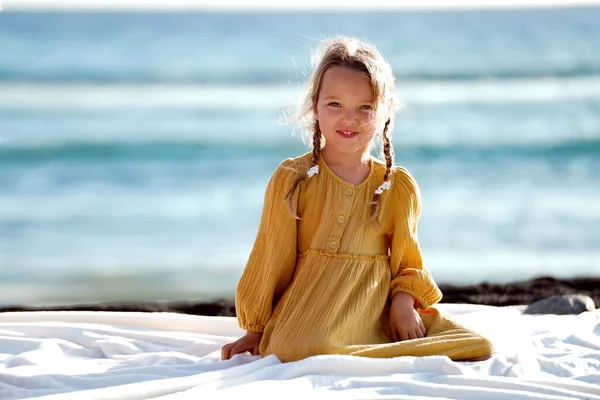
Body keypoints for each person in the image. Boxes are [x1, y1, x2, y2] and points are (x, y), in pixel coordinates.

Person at [221, 36, 494, 363]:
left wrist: (404, 305)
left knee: (476, 345)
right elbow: (270, 258)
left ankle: (377, 344)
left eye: (365, 107)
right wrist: (255, 328)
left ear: (385, 113)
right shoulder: (292, 180)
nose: (349, 118)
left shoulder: (397, 186)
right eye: (335, 104)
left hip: (374, 307)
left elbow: (407, 261)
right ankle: (361, 351)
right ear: (315, 106)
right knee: (303, 348)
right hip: (310, 309)